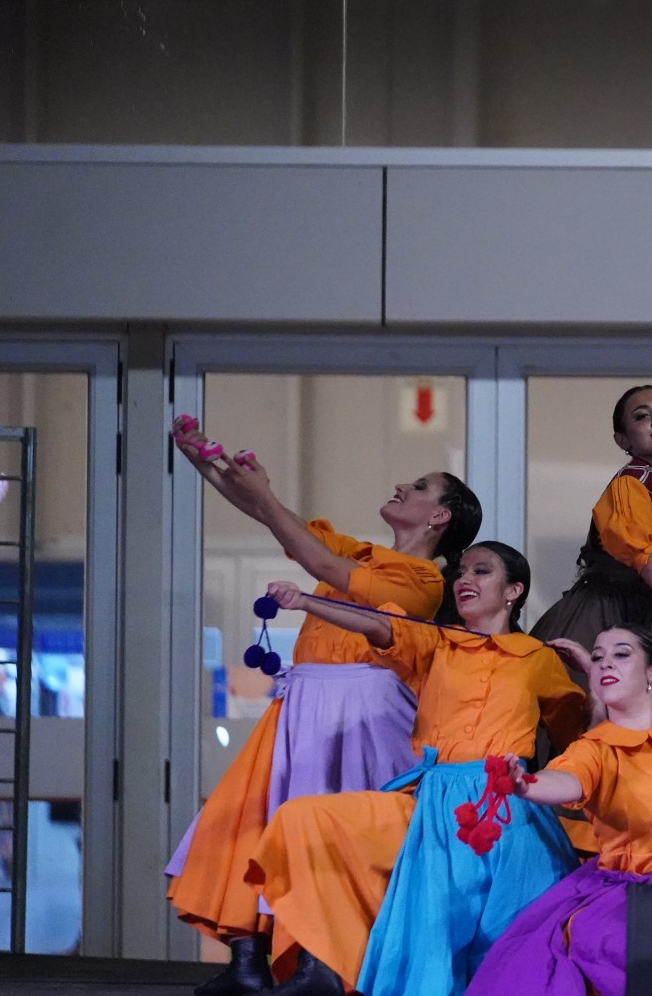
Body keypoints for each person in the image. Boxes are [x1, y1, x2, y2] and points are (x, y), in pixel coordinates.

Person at [164, 416, 479, 996]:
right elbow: (282, 527)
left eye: (419, 486)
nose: (402, 487)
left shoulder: (422, 582)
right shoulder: (365, 552)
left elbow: (320, 566)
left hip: (359, 709)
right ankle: (248, 960)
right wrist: (211, 468)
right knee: (246, 818)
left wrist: (262, 495)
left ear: (440, 516)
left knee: (326, 831)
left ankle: (321, 959)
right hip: (303, 699)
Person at [247, 542, 585, 996]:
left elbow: (578, 741)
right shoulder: (437, 642)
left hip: (507, 810)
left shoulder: (538, 658)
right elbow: (382, 626)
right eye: (461, 571)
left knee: (501, 942)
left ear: (514, 591)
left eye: (481, 572)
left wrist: (593, 692)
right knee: (304, 819)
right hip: (434, 802)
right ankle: (325, 965)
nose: (464, 580)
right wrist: (307, 602)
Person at [468, 624, 652, 996]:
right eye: (596, 658)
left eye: (620, 654)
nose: (604, 664)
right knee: (603, 950)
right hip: (641, 893)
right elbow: (567, 779)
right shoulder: (595, 749)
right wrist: (525, 784)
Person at [531, 386, 652, 706]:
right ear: (623, 440)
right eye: (642, 416)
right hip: (604, 619)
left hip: (651, 621)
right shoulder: (629, 486)